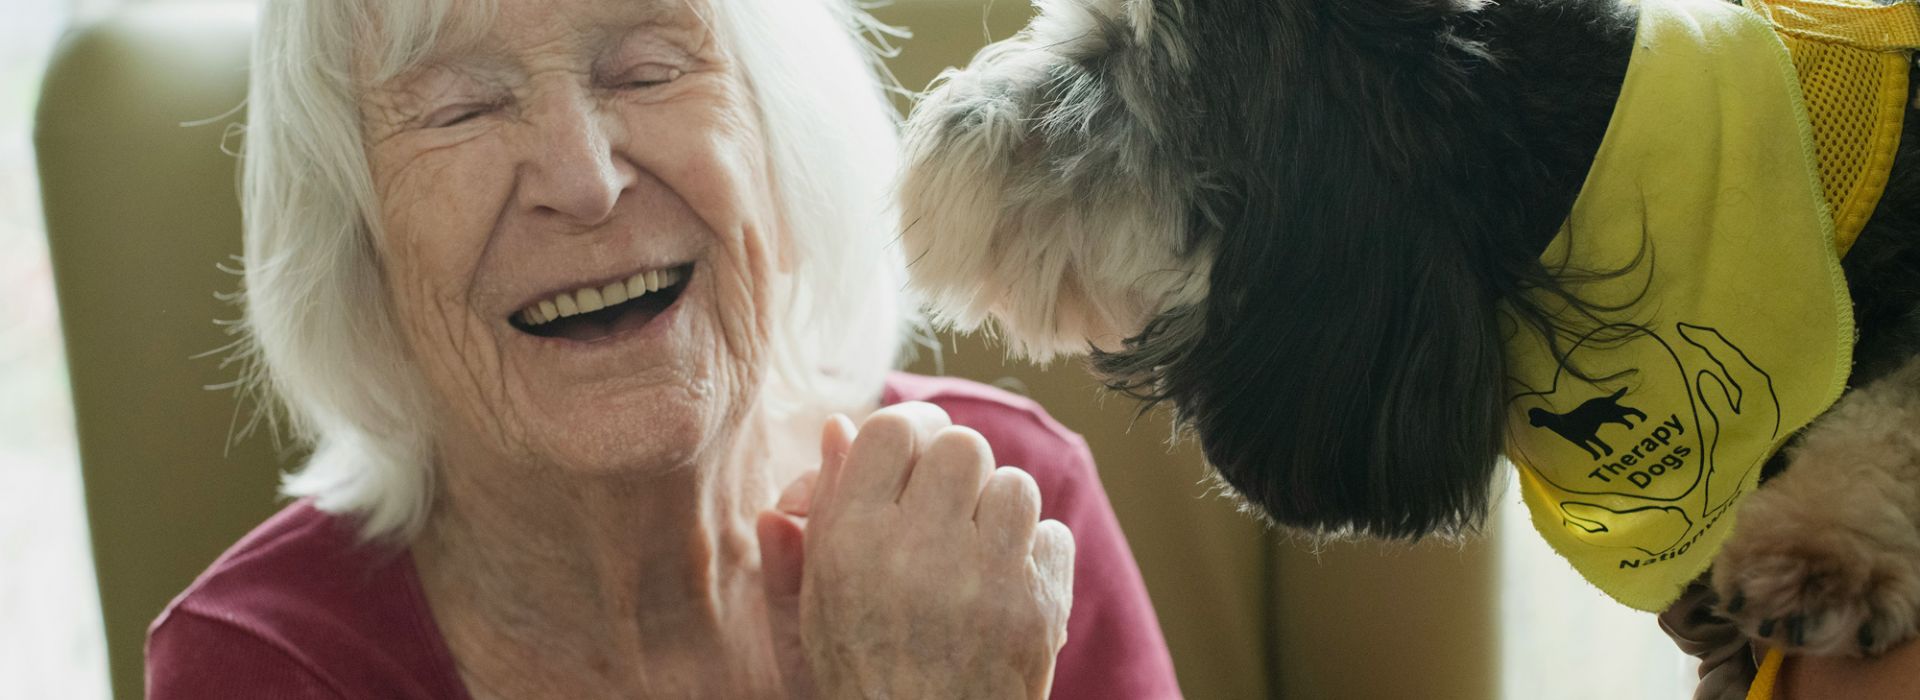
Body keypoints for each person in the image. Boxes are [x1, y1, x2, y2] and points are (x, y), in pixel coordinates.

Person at [143, 0, 1180, 696]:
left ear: (782, 142)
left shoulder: (1003, 509)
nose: (584, 178)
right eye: (462, 109)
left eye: (645, 71)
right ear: (356, 240)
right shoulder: (267, 664)